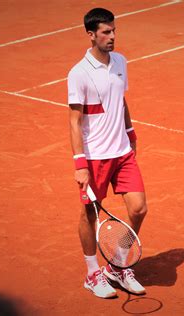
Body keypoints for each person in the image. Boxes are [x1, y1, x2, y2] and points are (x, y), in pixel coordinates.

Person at [67, 8, 148, 299]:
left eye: (114, 30)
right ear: (91, 35)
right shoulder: (79, 74)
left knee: (138, 208)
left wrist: (130, 133)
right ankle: (92, 273)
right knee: (90, 214)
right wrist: (80, 164)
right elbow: (75, 120)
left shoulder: (121, 62)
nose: (112, 36)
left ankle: (117, 266)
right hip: (95, 157)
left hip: (122, 152)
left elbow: (121, 99)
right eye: (106, 32)